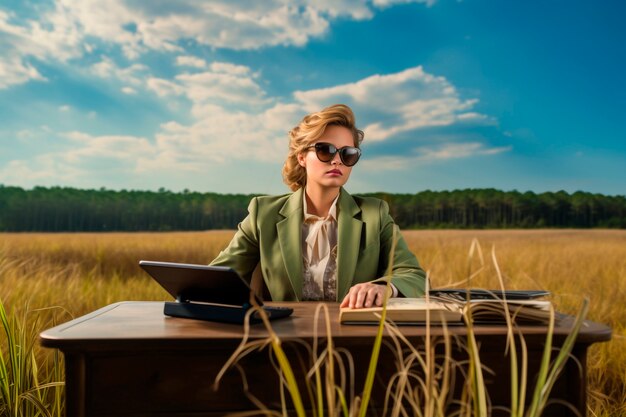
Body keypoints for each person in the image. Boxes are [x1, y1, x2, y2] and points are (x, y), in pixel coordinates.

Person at [210, 104, 426, 309]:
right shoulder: (263, 213)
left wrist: (383, 287)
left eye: (347, 154)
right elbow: (219, 275)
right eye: (325, 150)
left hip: (352, 336)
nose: (337, 161)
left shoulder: (375, 214)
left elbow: (413, 275)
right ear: (302, 157)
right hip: (282, 338)